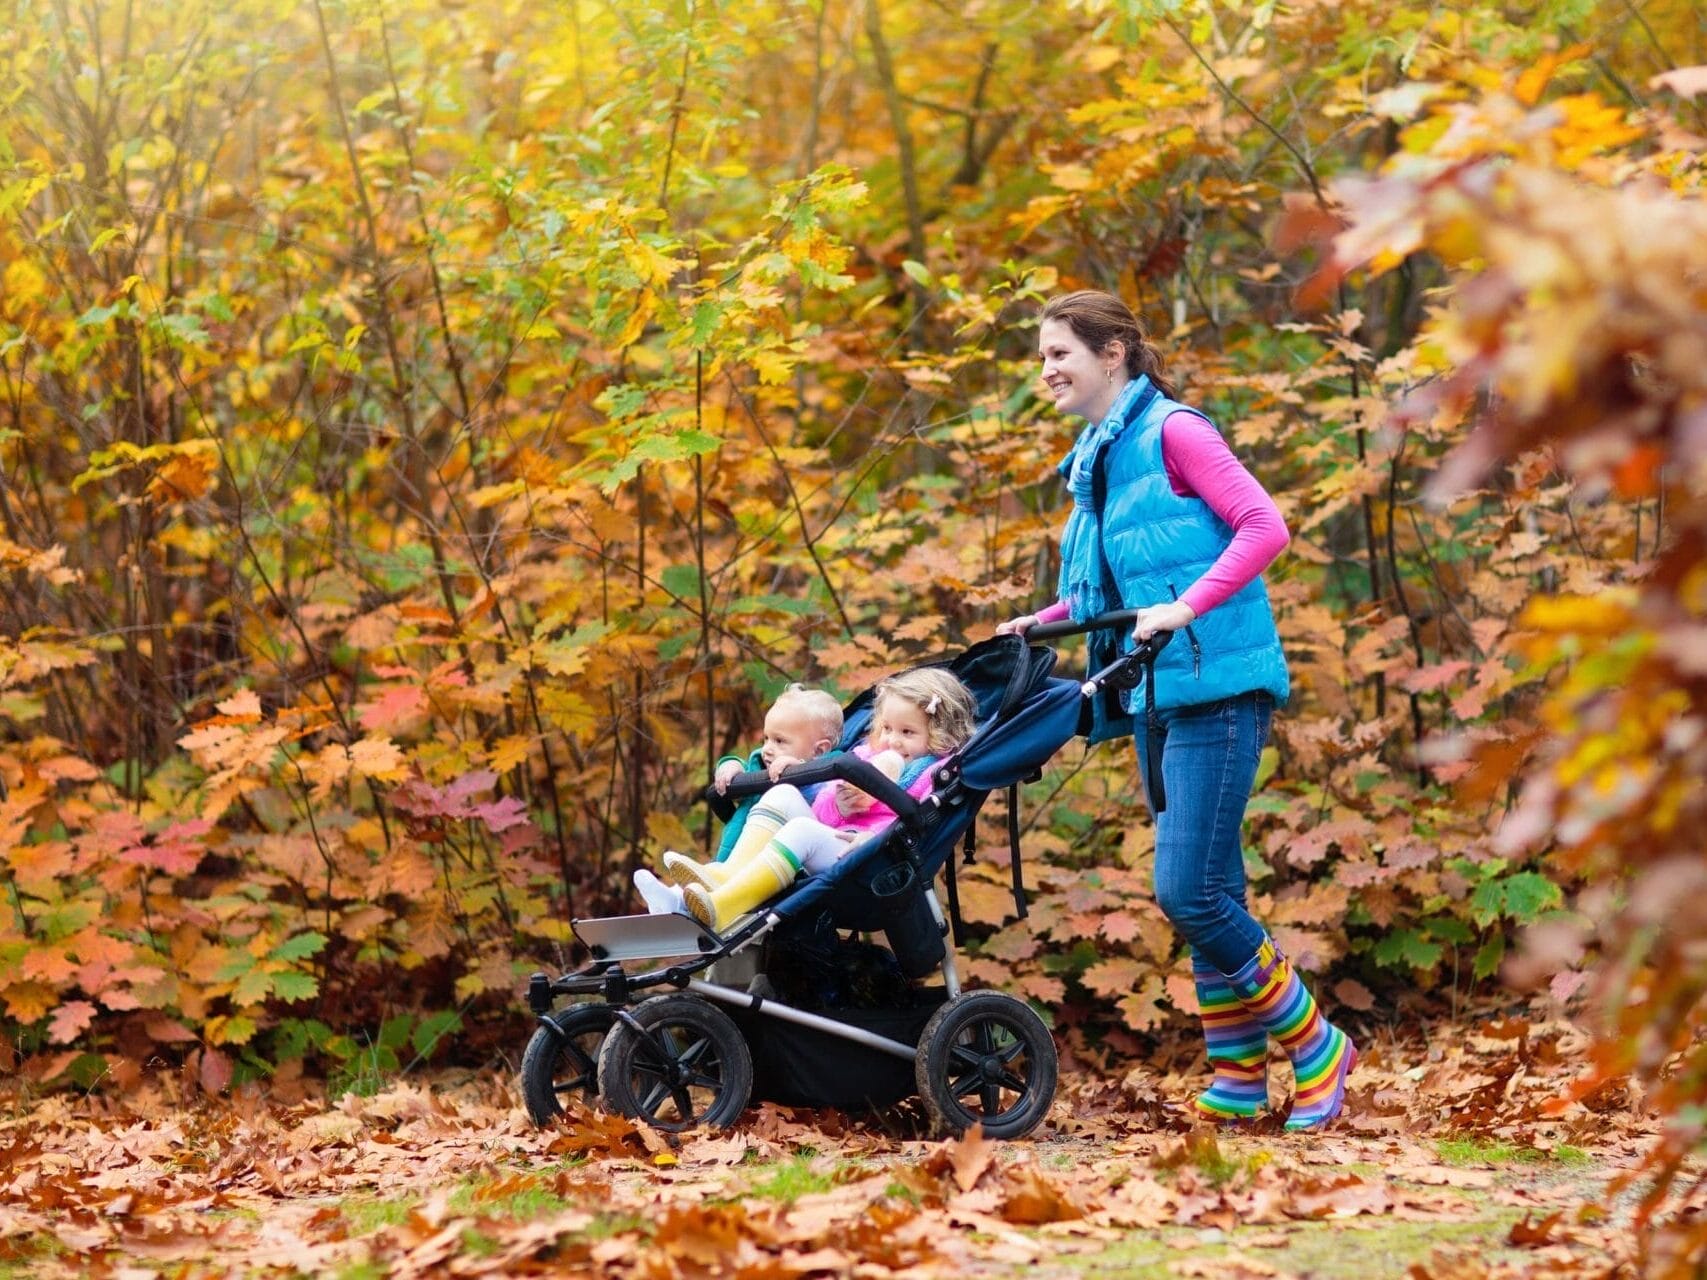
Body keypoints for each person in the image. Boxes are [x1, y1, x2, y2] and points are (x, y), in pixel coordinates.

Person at [997, 289, 1355, 1131]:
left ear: (1113, 352)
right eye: (1042, 355)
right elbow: (1115, 589)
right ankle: (1236, 1075)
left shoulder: (1174, 432)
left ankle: (1315, 1043)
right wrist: (1044, 621)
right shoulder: (1099, 452)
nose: (1045, 369)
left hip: (1217, 687)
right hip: (1154, 689)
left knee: (1187, 890)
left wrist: (1187, 608)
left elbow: (1263, 527)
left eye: (1060, 353)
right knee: (1215, 888)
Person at [661, 667, 978, 932]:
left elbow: (915, 826)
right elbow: (823, 811)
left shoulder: (932, 774)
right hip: (831, 840)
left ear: (939, 733)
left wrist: (870, 837)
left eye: (908, 732)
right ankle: (724, 876)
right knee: (783, 793)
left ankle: (724, 907)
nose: (893, 740)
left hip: (870, 858)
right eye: (887, 728)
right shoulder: (865, 757)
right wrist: (839, 804)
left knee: (802, 830)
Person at [632, 684, 843, 914]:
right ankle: (672, 900)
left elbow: (829, 806)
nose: (767, 749)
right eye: (766, 739)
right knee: (708, 881)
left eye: (780, 741)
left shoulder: (832, 773)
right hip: (736, 857)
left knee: (720, 882)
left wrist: (801, 771)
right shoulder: (763, 764)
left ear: (820, 751)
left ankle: (685, 900)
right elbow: (745, 764)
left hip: (781, 865)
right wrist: (730, 766)